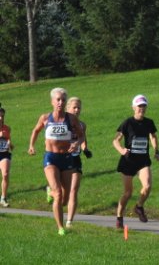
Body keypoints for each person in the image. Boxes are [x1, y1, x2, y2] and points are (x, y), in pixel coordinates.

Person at [27, 87, 85, 235]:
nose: (60, 102)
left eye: (63, 100)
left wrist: (77, 144)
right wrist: (31, 146)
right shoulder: (45, 118)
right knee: (58, 193)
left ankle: (50, 192)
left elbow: (81, 135)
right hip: (51, 158)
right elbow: (36, 130)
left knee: (64, 199)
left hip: (66, 158)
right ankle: (61, 228)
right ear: (52, 101)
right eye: (58, 99)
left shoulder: (71, 119)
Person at [113, 94, 159, 229]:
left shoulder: (149, 122)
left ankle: (139, 207)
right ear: (133, 107)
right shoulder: (127, 122)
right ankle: (119, 217)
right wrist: (121, 150)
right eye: (139, 106)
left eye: (144, 106)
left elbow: (153, 136)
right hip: (128, 161)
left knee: (147, 186)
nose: (142, 109)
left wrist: (156, 151)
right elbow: (116, 140)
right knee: (128, 193)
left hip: (143, 160)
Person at [64, 97, 92, 226]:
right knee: (62, 192)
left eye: (79, 107)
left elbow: (82, 138)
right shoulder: (61, 123)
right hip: (61, 159)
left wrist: (85, 149)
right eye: (74, 107)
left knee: (74, 190)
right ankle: (50, 190)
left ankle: (69, 221)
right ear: (67, 108)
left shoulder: (82, 125)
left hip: (75, 159)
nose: (77, 110)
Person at [0, 103, 13, 207]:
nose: (1, 118)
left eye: (2, 116)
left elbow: (8, 140)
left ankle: (3, 198)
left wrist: (10, 144)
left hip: (4, 153)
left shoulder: (7, 128)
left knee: (5, 174)